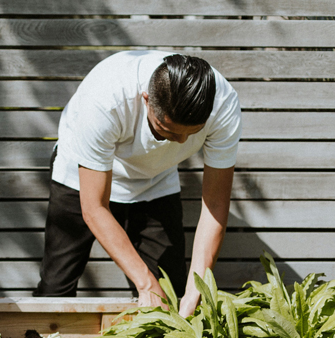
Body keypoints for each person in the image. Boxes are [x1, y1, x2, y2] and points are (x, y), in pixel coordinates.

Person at [33, 51, 242, 317]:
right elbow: (94, 208)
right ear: (146, 100)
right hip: (80, 177)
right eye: (166, 131)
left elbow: (214, 204)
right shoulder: (105, 99)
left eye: (192, 134)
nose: (180, 142)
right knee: (55, 289)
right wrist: (145, 283)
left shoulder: (223, 105)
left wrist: (195, 290)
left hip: (155, 180)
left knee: (170, 292)